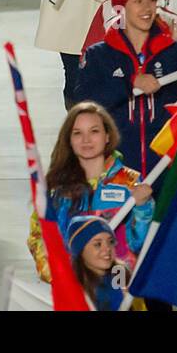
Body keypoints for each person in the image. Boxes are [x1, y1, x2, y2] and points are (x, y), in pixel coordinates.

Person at [76, 0, 177, 176]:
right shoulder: (98, 55)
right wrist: (130, 83)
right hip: (115, 172)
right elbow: (84, 100)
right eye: (138, 1)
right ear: (120, 8)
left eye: (151, 0)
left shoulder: (173, 51)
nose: (147, 8)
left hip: (165, 168)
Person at [27, 101, 152, 283]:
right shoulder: (56, 188)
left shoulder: (131, 183)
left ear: (107, 136)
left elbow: (142, 244)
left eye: (94, 131)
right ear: (69, 139)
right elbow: (38, 237)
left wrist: (143, 209)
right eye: (78, 133)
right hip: (74, 294)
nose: (86, 140)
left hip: (121, 295)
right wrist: (60, 276)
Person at [66, 214, 138, 311]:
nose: (107, 249)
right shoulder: (72, 287)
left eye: (110, 242)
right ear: (80, 251)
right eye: (98, 244)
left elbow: (120, 301)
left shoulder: (119, 272)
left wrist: (125, 294)